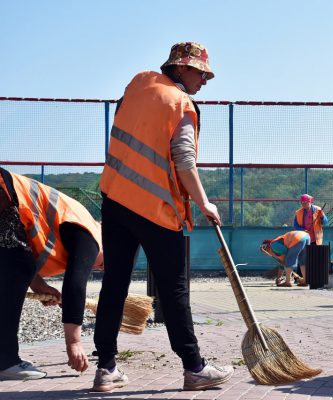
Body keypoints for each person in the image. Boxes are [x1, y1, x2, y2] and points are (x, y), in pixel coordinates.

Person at [93, 42, 233, 392]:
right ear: (182, 69)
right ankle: (195, 368)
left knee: (114, 284)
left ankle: (106, 368)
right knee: (174, 290)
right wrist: (204, 203)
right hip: (155, 210)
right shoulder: (181, 104)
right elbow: (184, 161)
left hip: (115, 198)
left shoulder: (138, 84)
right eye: (201, 73)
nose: (204, 80)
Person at [0, 168, 103, 380]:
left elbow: (18, 259)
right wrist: (74, 343)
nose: (96, 268)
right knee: (18, 267)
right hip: (6, 192)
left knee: (15, 268)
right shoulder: (92, 237)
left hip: (6, 193)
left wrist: (38, 286)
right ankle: (6, 361)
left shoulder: (77, 226)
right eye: (102, 266)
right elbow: (75, 285)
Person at [287, 194, 327, 284]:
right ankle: (300, 279)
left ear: (310, 202)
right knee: (302, 259)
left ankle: (315, 279)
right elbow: (295, 226)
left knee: (315, 260)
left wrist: (322, 217)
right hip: (303, 240)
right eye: (302, 203)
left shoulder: (318, 210)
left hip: (315, 240)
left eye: (305, 203)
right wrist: (303, 230)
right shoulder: (299, 212)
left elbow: (325, 222)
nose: (304, 205)